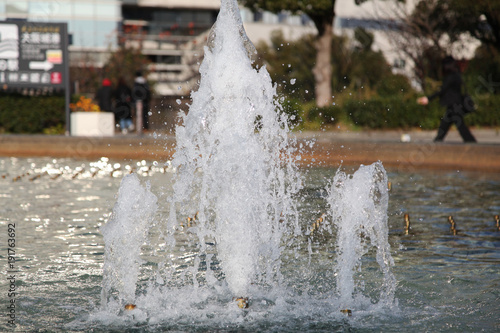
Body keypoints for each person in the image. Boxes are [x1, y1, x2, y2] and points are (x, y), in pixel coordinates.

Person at [417, 56, 476, 143]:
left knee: (455, 126)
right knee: (450, 125)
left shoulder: (451, 77)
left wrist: (428, 99)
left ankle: (439, 140)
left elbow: (442, 90)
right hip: (455, 105)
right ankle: (439, 140)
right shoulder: (457, 75)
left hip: (454, 106)